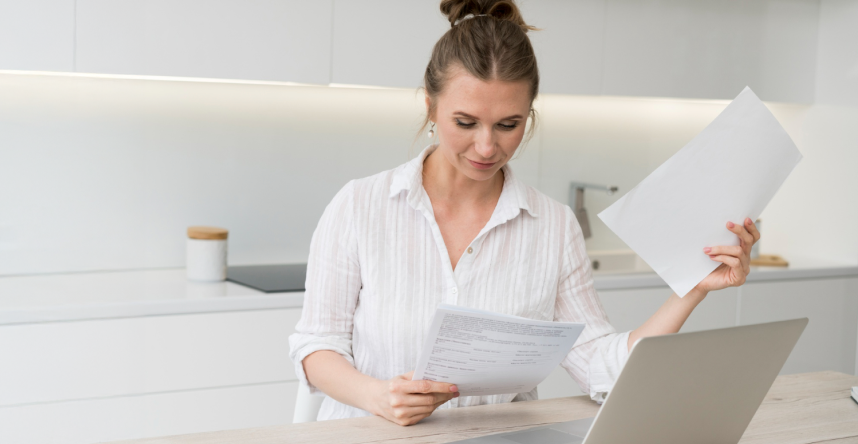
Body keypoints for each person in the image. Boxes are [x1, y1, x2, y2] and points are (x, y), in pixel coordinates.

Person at [287, 0, 760, 426]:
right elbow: (316, 346)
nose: (487, 146)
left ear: (529, 116)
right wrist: (376, 396)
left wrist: (693, 287)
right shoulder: (360, 205)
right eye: (465, 122)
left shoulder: (552, 227)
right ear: (431, 105)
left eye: (508, 125)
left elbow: (601, 366)